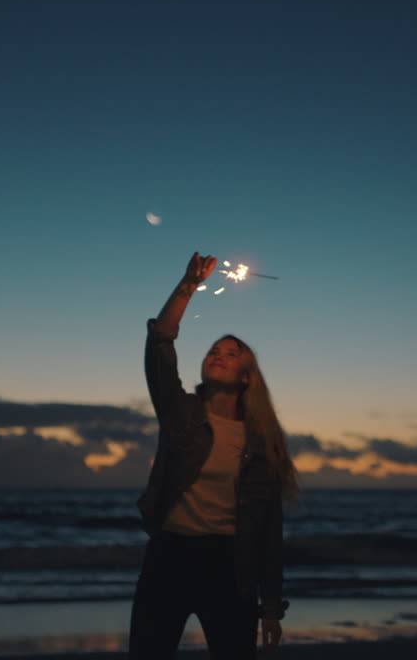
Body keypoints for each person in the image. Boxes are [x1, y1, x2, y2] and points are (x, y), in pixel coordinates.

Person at [129, 252, 298, 659]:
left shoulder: (260, 443)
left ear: (245, 378)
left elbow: (268, 531)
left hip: (229, 566)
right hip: (169, 558)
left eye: (231, 352)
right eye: (213, 350)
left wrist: (271, 606)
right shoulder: (180, 412)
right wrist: (188, 286)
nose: (218, 354)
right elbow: (161, 343)